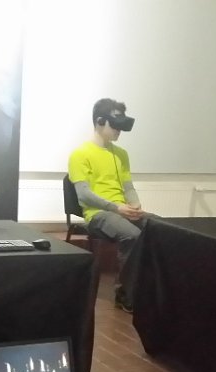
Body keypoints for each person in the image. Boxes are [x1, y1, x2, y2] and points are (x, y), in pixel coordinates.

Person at [67, 98, 145, 313]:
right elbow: (84, 195)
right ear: (100, 121)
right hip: (98, 214)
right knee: (132, 235)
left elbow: (128, 187)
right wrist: (116, 208)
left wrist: (135, 205)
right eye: (115, 124)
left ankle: (148, 290)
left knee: (161, 229)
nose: (119, 130)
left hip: (122, 210)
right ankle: (125, 294)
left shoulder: (121, 154)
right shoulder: (80, 154)